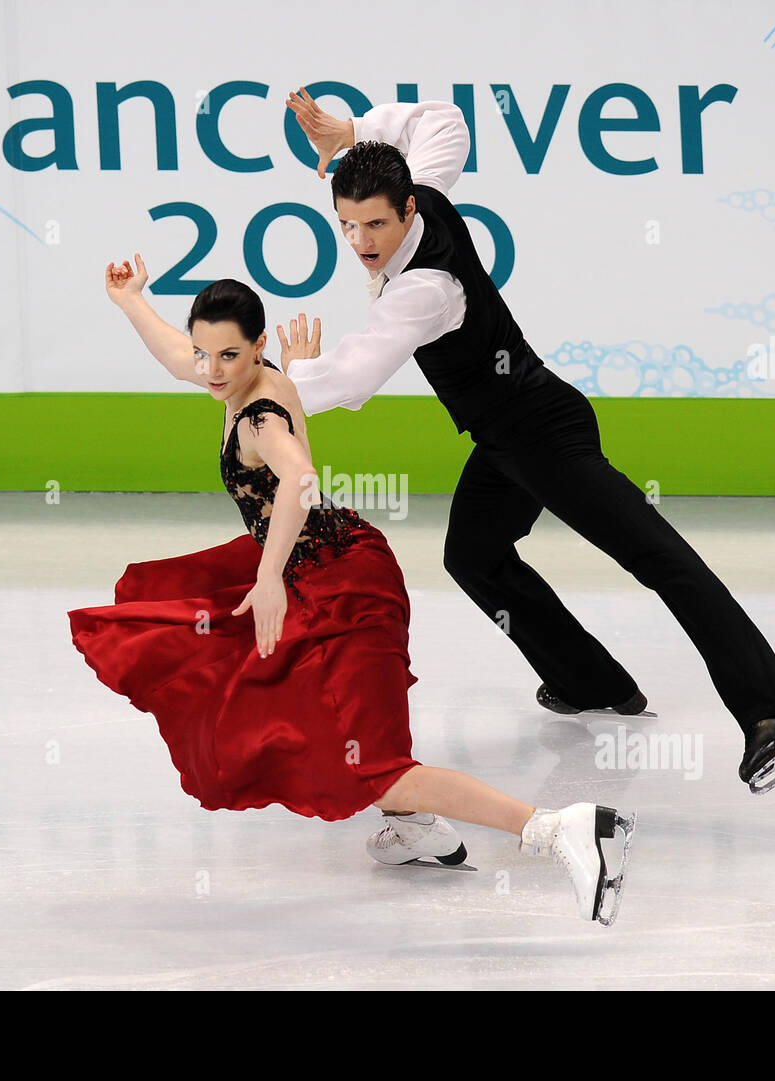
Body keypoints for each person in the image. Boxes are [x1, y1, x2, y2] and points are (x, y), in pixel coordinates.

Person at [278, 88, 775, 793]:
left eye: (374, 225)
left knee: (659, 558)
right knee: (474, 555)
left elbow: (353, 377)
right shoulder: (422, 189)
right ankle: (593, 680)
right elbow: (441, 120)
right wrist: (354, 130)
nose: (361, 243)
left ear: (409, 211)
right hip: (505, 438)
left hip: (542, 432)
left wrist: (279, 382)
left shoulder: (423, 288)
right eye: (347, 225)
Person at [65, 263, 638, 924]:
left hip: (345, 585)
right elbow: (175, 355)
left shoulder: (257, 417)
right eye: (207, 353)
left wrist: (269, 572)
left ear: (257, 345)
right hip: (329, 568)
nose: (212, 368)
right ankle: (414, 828)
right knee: (300, 705)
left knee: (382, 764)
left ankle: (563, 827)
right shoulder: (251, 377)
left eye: (228, 354)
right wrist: (130, 300)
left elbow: (302, 478)